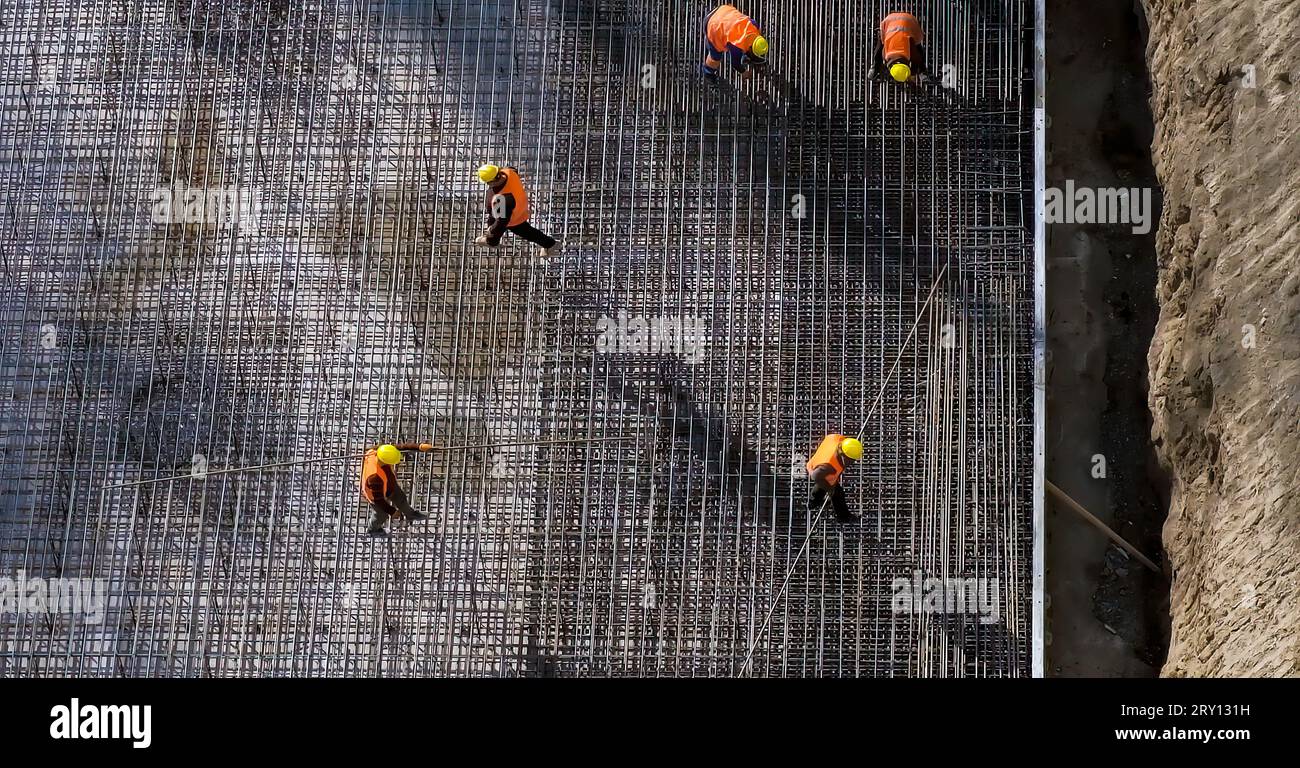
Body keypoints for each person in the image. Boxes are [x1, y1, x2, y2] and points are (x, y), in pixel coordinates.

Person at [474, 164, 560, 257]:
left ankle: (550, 245)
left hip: (514, 218)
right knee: (496, 224)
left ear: (491, 182)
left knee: (528, 233)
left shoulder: (501, 199)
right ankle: (549, 244)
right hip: (519, 204)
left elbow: (502, 222)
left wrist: (492, 235)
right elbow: (513, 169)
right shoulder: (509, 172)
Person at [361, 442, 433, 536]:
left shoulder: (377, 451)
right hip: (374, 495)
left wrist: (419, 447)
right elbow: (379, 500)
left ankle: (411, 515)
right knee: (381, 514)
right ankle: (373, 530)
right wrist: (392, 511)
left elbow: (401, 447)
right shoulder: (374, 477)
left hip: (389, 484)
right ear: (385, 461)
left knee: (401, 498)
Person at [806, 434, 864, 523]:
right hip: (817, 469)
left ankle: (813, 503)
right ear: (843, 455)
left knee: (826, 484)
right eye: (851, 460)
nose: (853, 462)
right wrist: (829, 489)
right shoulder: (828, 466)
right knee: (837, 493)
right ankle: (843, 517)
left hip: (818, 463)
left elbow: (830, 437)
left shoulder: (840, 440)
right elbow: (815, 476)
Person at [701, 4, 769, 80]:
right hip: (712, 26)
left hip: (721, 11)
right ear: (751, 48)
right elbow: (735, 64)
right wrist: (744, 72)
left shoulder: (754, 25)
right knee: (715, 57)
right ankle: (708, 72)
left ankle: (745, 56)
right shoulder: (737, 46)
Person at [868, 11, 929, 84]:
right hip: (889, 22)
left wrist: (912, 74)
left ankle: (922, 70)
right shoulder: (885, 55)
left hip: (908, 21)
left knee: (917, 46)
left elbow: (916, 60)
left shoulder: (910, 54)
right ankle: (875, 67)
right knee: (880, 45)